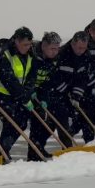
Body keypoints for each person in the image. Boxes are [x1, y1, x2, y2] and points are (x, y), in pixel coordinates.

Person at [0, 27, 37, 157]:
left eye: (29, 44)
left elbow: (32, 75)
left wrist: (28, 91)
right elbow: (8, 79)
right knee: (11, 122)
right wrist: (23, 97)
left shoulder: (31, 52)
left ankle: (2, 152)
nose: (27, 47)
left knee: (21, 124)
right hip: (2, 94)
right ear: (16, 41)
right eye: (25, 45)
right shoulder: (4, 53)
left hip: (19, 94)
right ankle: (2, 154)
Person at [27, 31, 71, 161]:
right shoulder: (33, 56)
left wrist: (44, 97)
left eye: (57, 49)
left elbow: (48, 80)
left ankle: (40, 148)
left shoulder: (54, 60)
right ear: (43, 46)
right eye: (52, 48)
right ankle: (33, 154)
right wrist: (30, 91)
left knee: (55, 117)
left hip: (41, 93)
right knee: (37, 122)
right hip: (27, 93)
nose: (55, 52)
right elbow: (27, 76)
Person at [50, 32, 93, 145]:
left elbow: (83, 78)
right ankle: (67, 147)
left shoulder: (86, 55)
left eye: (84, 48)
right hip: (57, 92)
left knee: (85, 113)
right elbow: (53, 77)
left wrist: (76, 95)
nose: (81, 50)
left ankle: (84, 139)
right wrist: (65, 92)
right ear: (73, 44)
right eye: (79, 47)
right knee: (61, 118)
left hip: (72, 91)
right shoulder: (61, 54)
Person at [70, 18, 95, 138]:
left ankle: (89, 140)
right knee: (82, 113)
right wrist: (94, 80)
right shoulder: (83, 41)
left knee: (91, 113)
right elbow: (81, 65)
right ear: (90, 31)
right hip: (78, 81)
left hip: (92, 80)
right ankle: (70, 133)